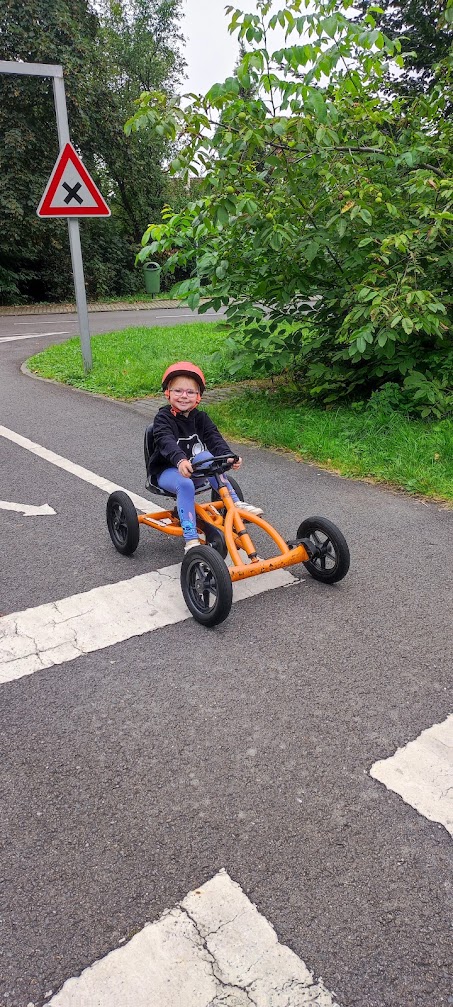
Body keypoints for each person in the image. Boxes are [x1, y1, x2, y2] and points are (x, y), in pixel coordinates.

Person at [148, 361, 263, 551]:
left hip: (195, 470)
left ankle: (236, 504)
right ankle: (191, 537)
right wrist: (180, 460)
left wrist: (228, 457)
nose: (184, 396)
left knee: (206, 457)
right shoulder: (163, 419)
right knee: (185, 484)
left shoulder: (201, 418)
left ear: (198, 396)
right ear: (167, 392)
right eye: (178, 391)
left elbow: (214, 438)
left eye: (190, 392)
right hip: (168, 472)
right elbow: (165, 441)